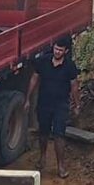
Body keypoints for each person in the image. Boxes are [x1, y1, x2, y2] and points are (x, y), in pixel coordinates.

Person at [27, 35, 80, 179]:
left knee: (59, 135)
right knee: (43, 133)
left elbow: (74, 86)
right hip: (44, 103)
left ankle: (61, 166)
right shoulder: (43, 61)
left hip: (60, 105)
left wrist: (76, 105)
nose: (57, 52)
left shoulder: (70, 66)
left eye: (60, 50)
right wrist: (28, 98)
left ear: (65, 51)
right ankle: (42, 157)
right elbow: (34, 78)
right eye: (56, 49)